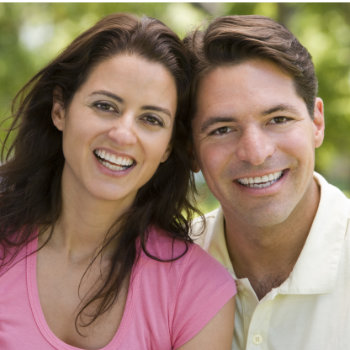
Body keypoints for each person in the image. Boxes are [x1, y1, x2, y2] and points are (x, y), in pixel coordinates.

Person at [0, 13, 236, 350]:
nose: (123, 134)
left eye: (151, 119)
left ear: (168, 145)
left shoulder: (199, 291)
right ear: (60, 110)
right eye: (105, 106)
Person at [185, 14, 350, 350]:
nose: (256, 153)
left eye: (278, 119)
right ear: (190, 151)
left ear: (317, 122)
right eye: (223, 130)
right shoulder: (162, 266)